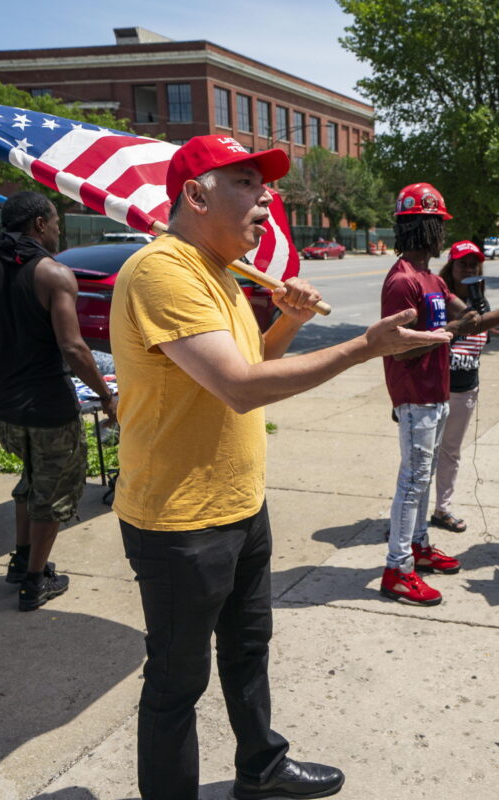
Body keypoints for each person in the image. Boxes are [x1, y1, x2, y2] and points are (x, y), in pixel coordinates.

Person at [109, 135, 450, 800]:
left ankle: (260, 769)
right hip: (179, 521)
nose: (267, 197)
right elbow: (240, 388)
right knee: (178, 682)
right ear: (196, 195)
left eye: (264, 183)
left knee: (247, 652)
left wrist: (287, 323)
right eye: (245, 181)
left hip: (239, 504)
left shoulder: (224, 276)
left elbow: (246, 368)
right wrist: (361, 347)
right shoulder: (162, 273)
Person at [0, 191, 116, 612]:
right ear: (39, 224)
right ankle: (36, 583)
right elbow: (74, 349)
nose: (59, 227)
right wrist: (106, 395)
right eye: (55, 220)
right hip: (49, 409)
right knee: (54, 492)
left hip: (4, 409)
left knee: (31, 481)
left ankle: (22, 562)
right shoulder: (54, 274)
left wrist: (1, 316)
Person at [380, 187, 499, 605]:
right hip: (415, 396)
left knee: (423, 476)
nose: (442, 239)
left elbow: (475, 320)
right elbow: (395, 347)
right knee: (413, 482)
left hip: (438, 393)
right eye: (440, 228)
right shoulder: (402, 282)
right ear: (426, 227)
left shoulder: (432, 280)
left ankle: (418, 546)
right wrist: (448, 332)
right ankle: (397, 570)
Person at [431, 240, 499, 533]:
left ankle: (442, 510)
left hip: (466, 390)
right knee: (424, 455)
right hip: (435, 390)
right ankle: (410, 516)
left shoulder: (481, 300)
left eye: (474, 264)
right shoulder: (439, 298)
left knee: (450, 452)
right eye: (462, 263)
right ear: (451, 267)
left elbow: (483, 337)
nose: (468, 268)